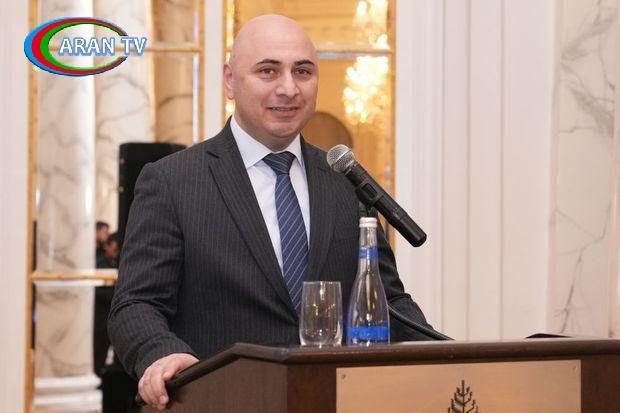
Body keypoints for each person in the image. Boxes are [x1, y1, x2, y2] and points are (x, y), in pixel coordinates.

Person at [108, 14, 434, 411]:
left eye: (303, 71)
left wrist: (444, 358)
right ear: (230, 81)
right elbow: (136, 305)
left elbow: (388, 302)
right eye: (268, 71)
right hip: (220, 402)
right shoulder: (172, 181)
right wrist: (160, 354)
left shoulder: (344, 179)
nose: (289, 88)